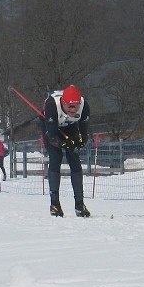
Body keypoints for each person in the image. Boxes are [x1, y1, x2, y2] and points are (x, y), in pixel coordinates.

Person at [42, 84, 91, 217]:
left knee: (74, 158)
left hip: (70, 126)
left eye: (75, 106)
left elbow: (84, 131)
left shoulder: (84, 106)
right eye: (70, 106)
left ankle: (79, 205)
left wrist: (80, 142)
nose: (73, 109)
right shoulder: (52, 105)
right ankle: (55, 204)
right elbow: (52, 137)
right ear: (63, 103)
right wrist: (62, 143)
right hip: (51, 126)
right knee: (56, 157)